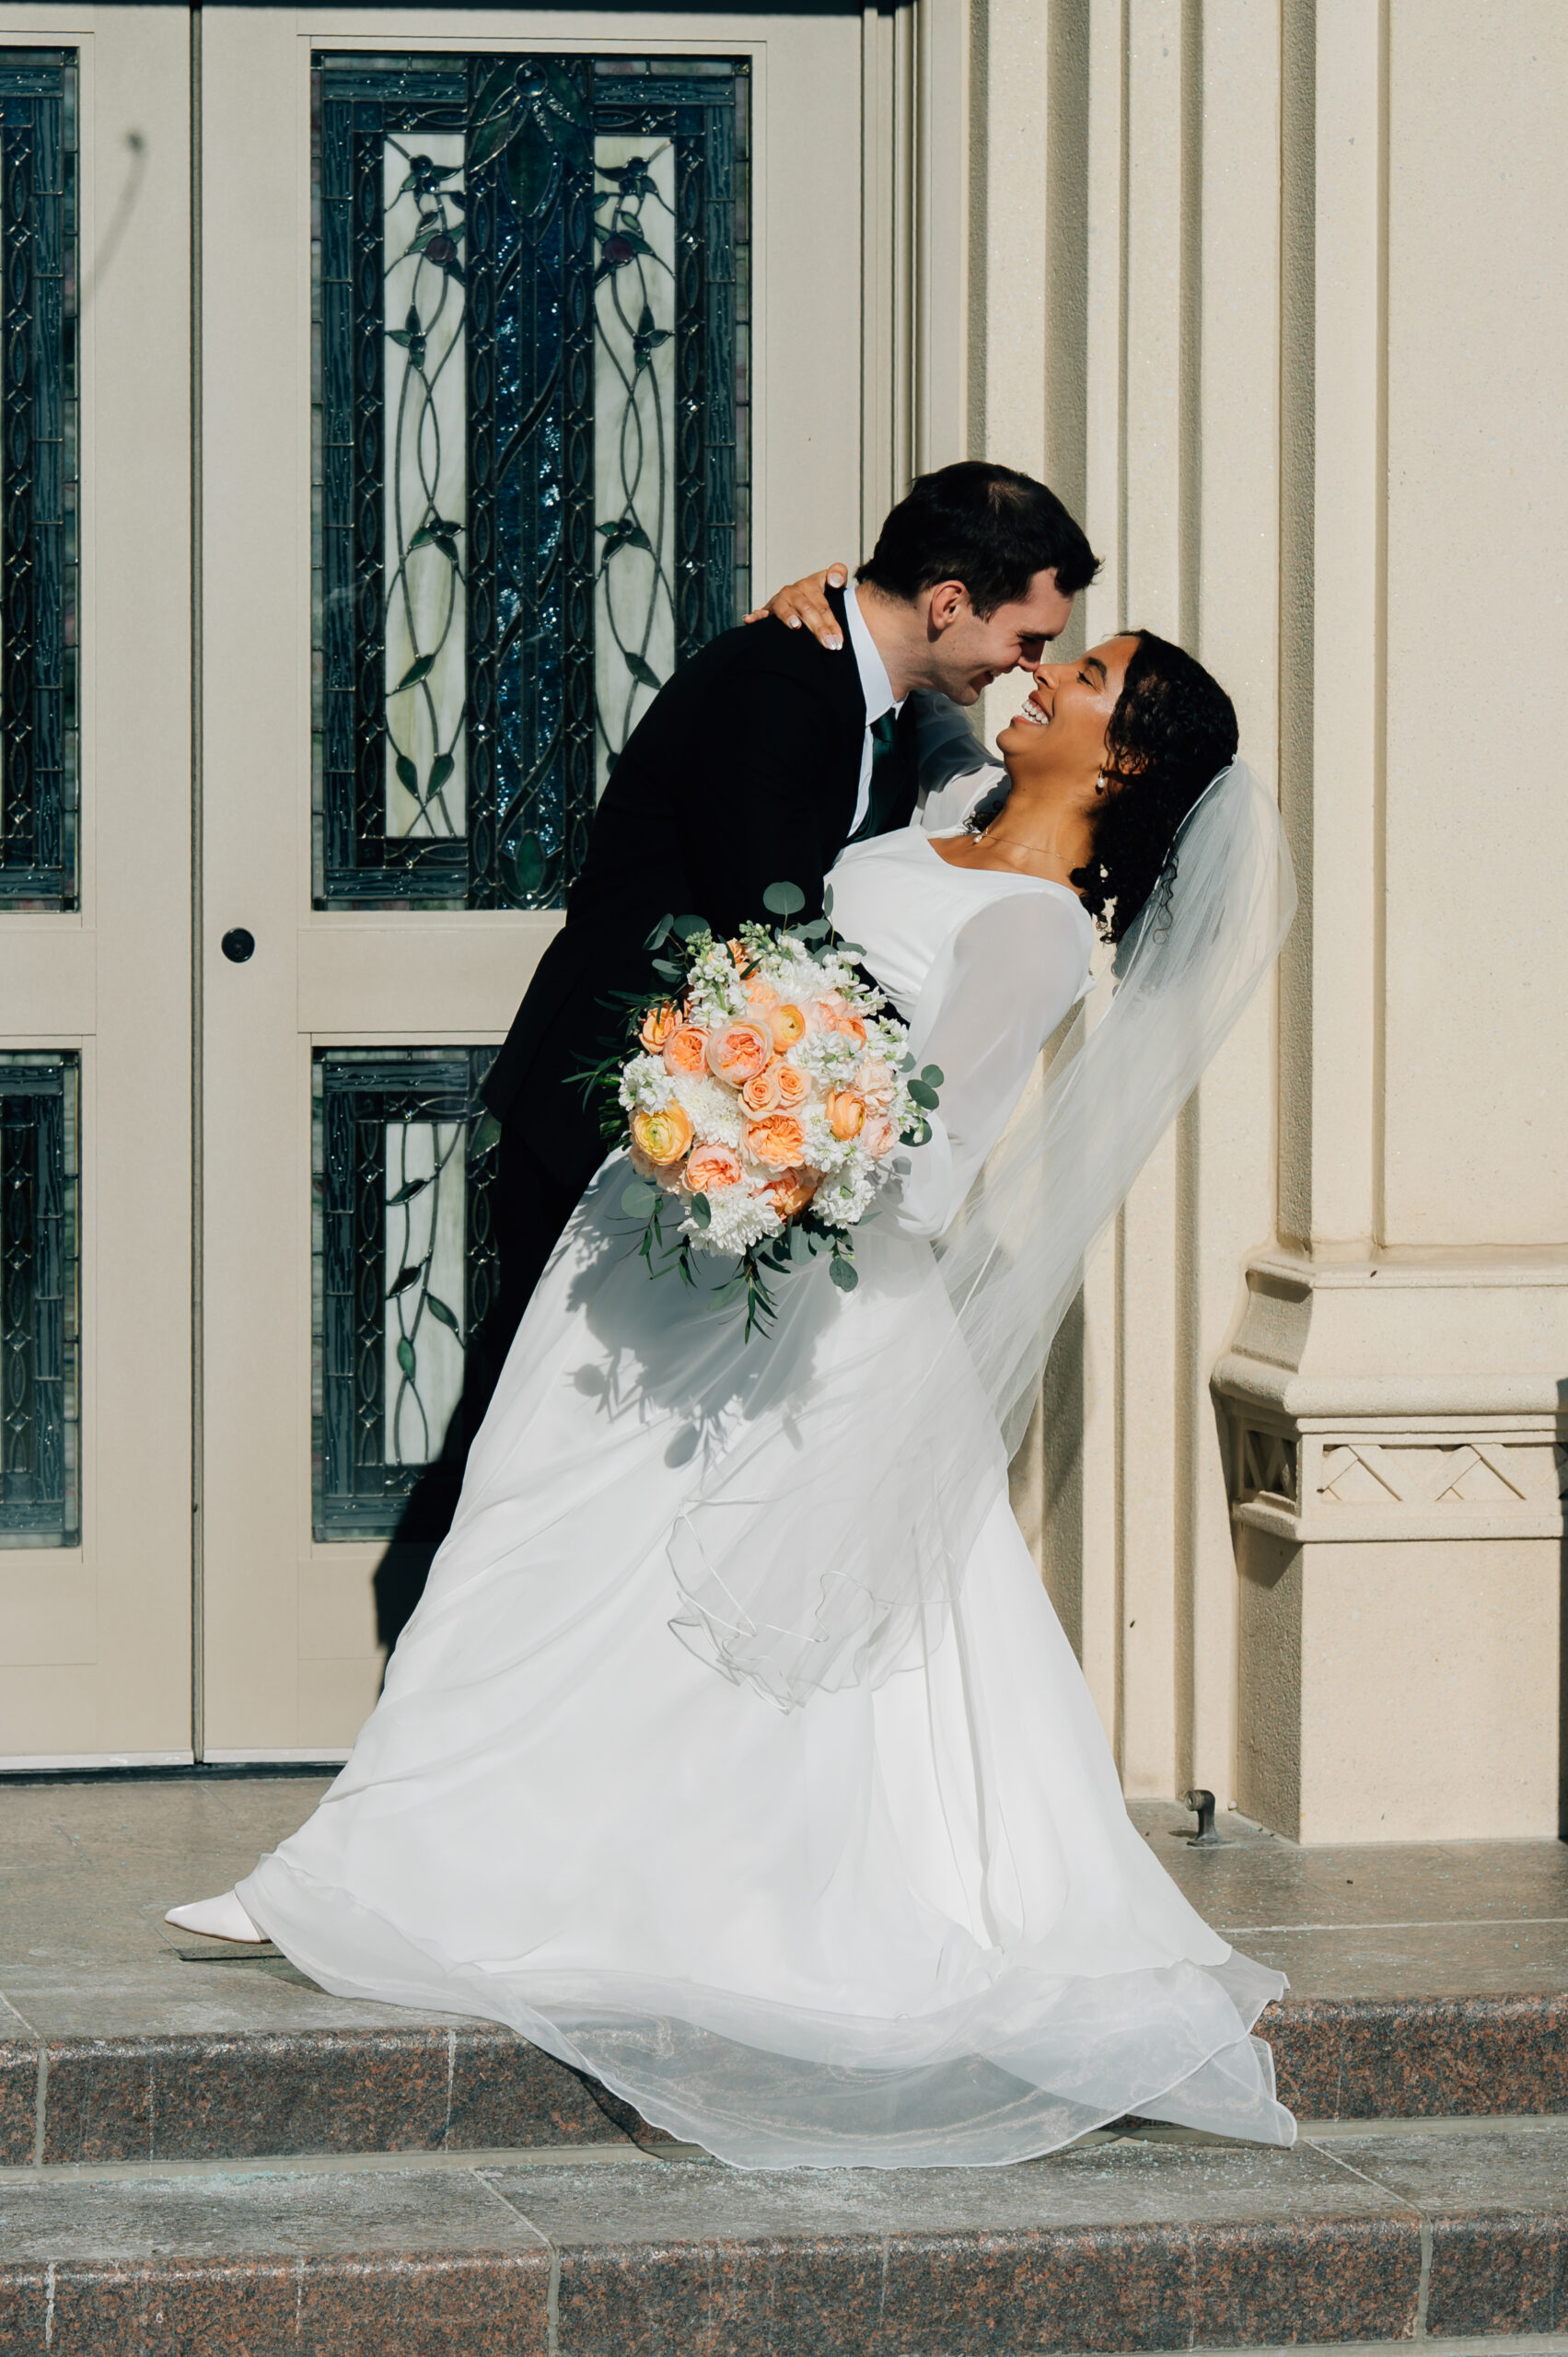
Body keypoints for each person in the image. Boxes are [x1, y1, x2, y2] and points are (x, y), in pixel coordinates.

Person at [169, 624, 1297, 2170]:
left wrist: (763, 1137)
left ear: (1121, 758)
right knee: (519, 1537)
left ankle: (642, 1895)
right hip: (649, 1245)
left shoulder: (1033, 930)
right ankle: (362, 1856)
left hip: (794, 1290)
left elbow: (928, 1166)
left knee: (733, 1641)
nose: (1044, 671)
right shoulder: (939, 805)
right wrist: (708, 1074)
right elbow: (864, 748)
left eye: (1084, 676)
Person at [478, 461, 1098, 1357]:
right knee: (517, 1428)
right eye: (1028, 637)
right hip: (597, 1113)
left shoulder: (872, 701)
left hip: (692, 1139)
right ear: (949, 601)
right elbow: (771, 936)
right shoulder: (779, 684)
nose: (1029, 666)